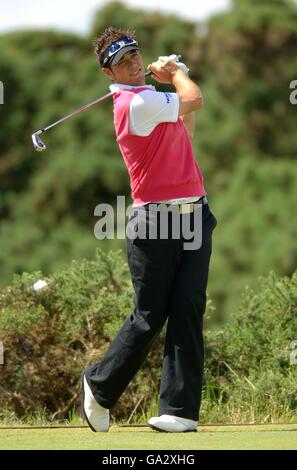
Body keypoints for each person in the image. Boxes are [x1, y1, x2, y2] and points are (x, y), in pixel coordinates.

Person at [82, 27, 217, 433]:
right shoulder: (136, 103)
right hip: (154, 222)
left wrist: (178, 76)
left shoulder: (154, 102)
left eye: (136, 55)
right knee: (148, 316)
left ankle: (179, 411)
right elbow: (195, 98)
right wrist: (177, 72)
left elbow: (187, 126)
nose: (135, 64)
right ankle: (99, 385)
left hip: (194, 214)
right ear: (110, 74)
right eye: (124, 62)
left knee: (189, 308)